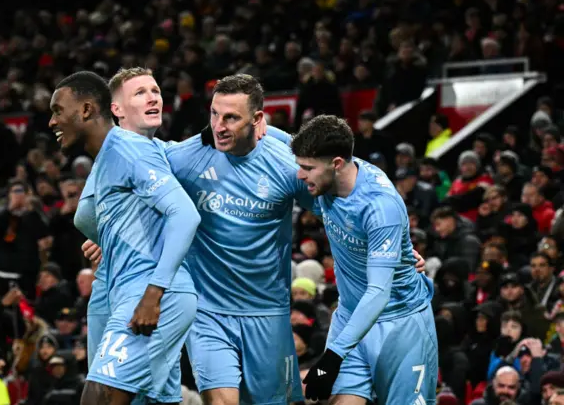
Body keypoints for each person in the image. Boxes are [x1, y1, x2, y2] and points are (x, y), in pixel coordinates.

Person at [80, 70, 427, 405]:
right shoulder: (184, 156)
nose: (218, 126)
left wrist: (393, 246)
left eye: (230, 118)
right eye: (214, 115)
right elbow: (137, 187)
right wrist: (111, 234)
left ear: (257, 119)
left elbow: (339, 198)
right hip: (209, 309)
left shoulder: (289, 160)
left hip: (269, 312)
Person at [49, 71, 200, 405]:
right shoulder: (106, 160)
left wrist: (153, 294)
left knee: (97, 398)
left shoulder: (130, 150)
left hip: (150, 294)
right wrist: (106, 239)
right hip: (129, 291)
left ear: (86, 110)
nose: (51, 121)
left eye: (58, 110)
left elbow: (185, 214)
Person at [291, 114, 437, 404]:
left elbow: (379, 292)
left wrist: (332, 357)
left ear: (336, 164)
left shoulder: (380, 207)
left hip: (401, 324)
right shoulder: (324, 178)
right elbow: (275, 140)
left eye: (307, 168)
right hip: (350, 317)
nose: (299, 175)